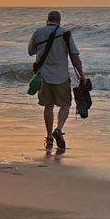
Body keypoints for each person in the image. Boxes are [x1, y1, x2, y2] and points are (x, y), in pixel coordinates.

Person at [27, 10, 85, 149]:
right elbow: (75, 57)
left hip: (44, 76)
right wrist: (82, 76)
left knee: (48, 106)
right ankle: (58, 129)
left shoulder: (38, 32)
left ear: (46, 20)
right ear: (59, 21)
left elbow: (31, 51)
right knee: (65, 104)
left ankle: (49, 138)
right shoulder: (65, 33)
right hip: (62, 76)